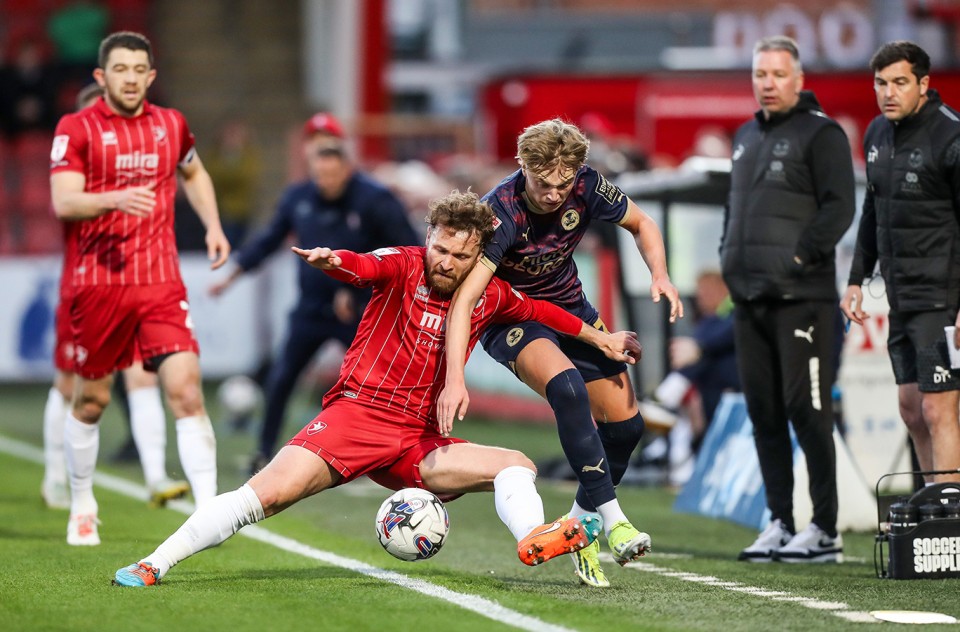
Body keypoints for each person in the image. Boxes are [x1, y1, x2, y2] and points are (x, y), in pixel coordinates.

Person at [112, 189, 642, 587]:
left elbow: (545, 311)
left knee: (516, 465)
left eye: (459, 257)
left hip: (418, 441)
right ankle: (154, 563)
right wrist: (334, 261)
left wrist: (602, 338)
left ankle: (531, 539)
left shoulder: (492, 294)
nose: (445, 262)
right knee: (263, 497)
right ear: (429, 237)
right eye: (439, 248)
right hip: (357, 418)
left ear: (480, 255)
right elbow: (364, 265)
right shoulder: (405, 264)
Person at [439, 118, 683, 588]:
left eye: (563, 184)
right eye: (543, 184)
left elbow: (643, 223)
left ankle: (580, 526)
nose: (554, 194)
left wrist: (660, 274)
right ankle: (616, 522)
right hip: (513, 319)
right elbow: (466, 300)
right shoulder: (499, 213)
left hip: (572, 311)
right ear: (522, 167)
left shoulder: (588, 184)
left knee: (626, 428)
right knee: (568, 388)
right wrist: (455, 378)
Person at [49, 31, 230, 546]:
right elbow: (64, 201)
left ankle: (208, 513)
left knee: (186, 390)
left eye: (138, 70)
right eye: (120, 69)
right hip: (98, 285)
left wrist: (213, 226)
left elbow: (194, 172)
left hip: (160, 281)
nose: (130, 78)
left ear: (150, 76)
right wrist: (114, 198)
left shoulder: (171, 124)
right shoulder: (76, 127)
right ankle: (82, 503)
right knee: (92, 401)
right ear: (101, 76)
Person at [210, 112, 419, 473]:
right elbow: (269, 239)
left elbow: (408, 252)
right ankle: (264, 452)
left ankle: (391, 453)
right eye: (319, 175)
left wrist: (358, 290)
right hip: (310, 309)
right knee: (281, 378)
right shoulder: (298, 197)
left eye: (332, 175)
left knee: (377, 384)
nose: (325, 182)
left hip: (363, 313)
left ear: (347, 168)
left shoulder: (375, 199)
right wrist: (232, 275)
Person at [722, 36, 854, 563]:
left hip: (803, 299)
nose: (768, 83)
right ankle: (780, 521)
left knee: (808, 410)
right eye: (760, 74)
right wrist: (729, 256)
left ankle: (825, 529)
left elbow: (840, 207)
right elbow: (734, 211)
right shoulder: (745, 135)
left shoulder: (822, 133)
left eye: (778, 74)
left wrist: (798, 257)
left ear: (799, 79)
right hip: (749, 299)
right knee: (764, 413)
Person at [42, 81, 189, 511]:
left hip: (138, 285)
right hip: (84, 291)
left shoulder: (133, 170)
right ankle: (55, 477)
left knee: (142, 376)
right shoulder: (72, 179)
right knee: (69, 384)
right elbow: (64, 205)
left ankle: (156, 475)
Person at [841, 41, 960, 485]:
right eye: (881, 83)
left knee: (938, 408)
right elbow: (873, 211)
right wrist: (856, 280)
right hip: (901, 296)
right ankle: (935, 501)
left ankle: (950, 509)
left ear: (923, 84)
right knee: (911, 410)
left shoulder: (951, 137)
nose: (888, 93)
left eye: (900, 82)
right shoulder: (876, 133)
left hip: (942, 298)